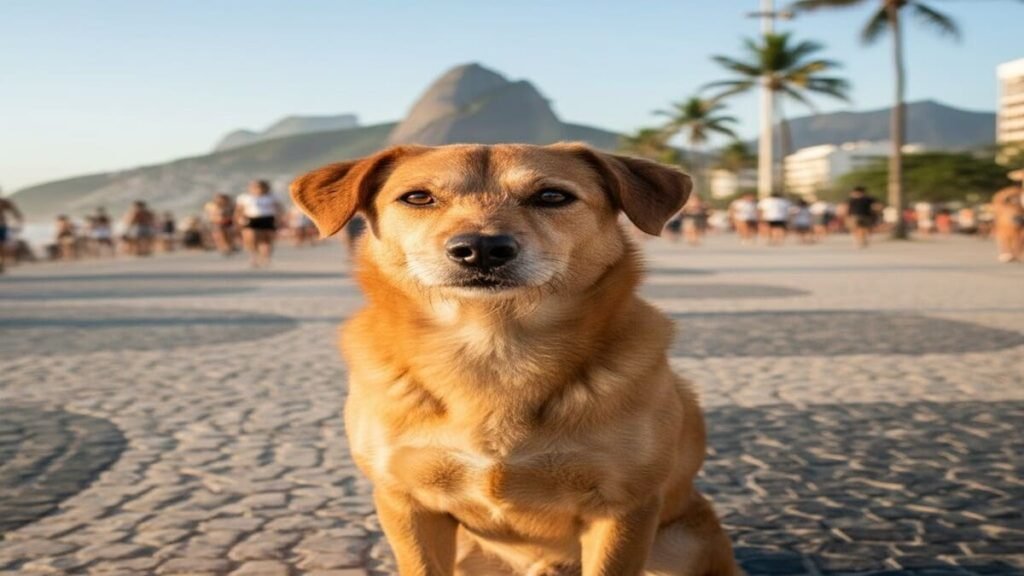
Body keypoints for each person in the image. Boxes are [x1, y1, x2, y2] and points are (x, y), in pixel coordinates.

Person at [235, 180, 283, 268]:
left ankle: (265, 257)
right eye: (255, 187)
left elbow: (279, 208)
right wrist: (239, 219)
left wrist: (279, 219)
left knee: (266, 240)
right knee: (251, 238)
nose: (258, 189)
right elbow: (239, 210)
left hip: (267, 218)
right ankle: (254, 256)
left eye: (260, 187)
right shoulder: (245, 197)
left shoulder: (272, 197)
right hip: (251, 218)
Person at [991, 182, 1023, 263]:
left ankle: (1011, 253)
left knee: (1014, 237)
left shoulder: (1004, 194)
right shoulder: (1007, 194)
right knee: (1012, 237)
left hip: (1010, 218)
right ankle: (1011, 253)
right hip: (1009, 219)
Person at [0, 193, 24, 273]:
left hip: (1, 226)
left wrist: (19, 221)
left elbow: (15, 212)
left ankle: (1, 264)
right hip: (2, 225)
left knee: (1, 245)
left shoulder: (3, 202)